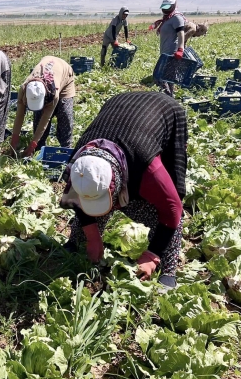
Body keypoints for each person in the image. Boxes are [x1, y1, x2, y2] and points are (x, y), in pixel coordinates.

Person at [60, 92, 187, 289]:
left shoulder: (149, 170)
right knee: (89, 209)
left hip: (165, 112)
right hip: (119, 108)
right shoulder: (78, 165)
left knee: (170, 201)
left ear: (119, 183)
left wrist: (152, 255)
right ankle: (77, 241)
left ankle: (168, 269)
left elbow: (173, 210)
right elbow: (79, 200)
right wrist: (93, 238)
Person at [10, 56, 76, 157]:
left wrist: (32, 145)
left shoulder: (54, 94)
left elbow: (45, 120)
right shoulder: (23, 89)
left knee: (65, 115)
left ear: (44, 96)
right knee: (38, 115)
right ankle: (39, 148)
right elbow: (19, 115)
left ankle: (66, 149)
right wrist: (14, 141)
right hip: (48, 70)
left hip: (65, 75)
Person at [152, 0, 186, 97]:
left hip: (172, 53)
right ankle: (170, 98)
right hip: (165, 52)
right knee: (169, 79)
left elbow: (181, 34)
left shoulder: (177, 18)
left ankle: (167, 98)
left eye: (167, 8)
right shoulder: (167, 18)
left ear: (173, 6)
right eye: (164, 8)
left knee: (159, 77)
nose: (165, 10)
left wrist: (180, 49)